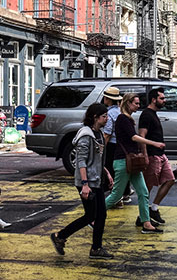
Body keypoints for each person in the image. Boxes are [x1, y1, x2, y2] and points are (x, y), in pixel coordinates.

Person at [51, 103, 113, 259]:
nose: (107, 119)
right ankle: (62, 236)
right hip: (87, 182)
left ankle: (94, 247)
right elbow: (81, 161)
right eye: (104, 116)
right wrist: (85, 185)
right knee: (92, 215)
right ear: (95, 117)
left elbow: (98, 158)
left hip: (96, 180)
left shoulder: (98, 133)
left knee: (99, 215)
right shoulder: (86, 135)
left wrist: (106, 172)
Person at [105, 93, 165, 234]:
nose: (138, 106)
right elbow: (133, 137)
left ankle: (146, 223)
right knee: (116, 195)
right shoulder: (122, 119)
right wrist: (154, 143)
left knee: (143, 192)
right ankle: (93, 215)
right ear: (128, 103)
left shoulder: (128, 119)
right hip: (123, 162)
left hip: (131, 162)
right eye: (136, 103)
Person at [138, 88, 175, 225]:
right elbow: (142, 136)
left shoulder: (154, 114)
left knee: (170, 180)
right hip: (152, 155)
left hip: (161, 154)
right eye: (162, 98)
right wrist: (145, 155)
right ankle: (143, 216)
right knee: (147, 187)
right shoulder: (146, 115)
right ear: (154, 100)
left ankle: (154, 208)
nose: (164, 101)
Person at [102, 86, 131, 206]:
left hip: (113, 145)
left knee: (111, 170)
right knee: (123, 170)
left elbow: (107, 133)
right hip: (122, 145)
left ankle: (116, 198)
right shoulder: (121, 111)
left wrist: (102, 147)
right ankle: (125, 194)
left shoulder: (109, 114)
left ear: (108, 99)